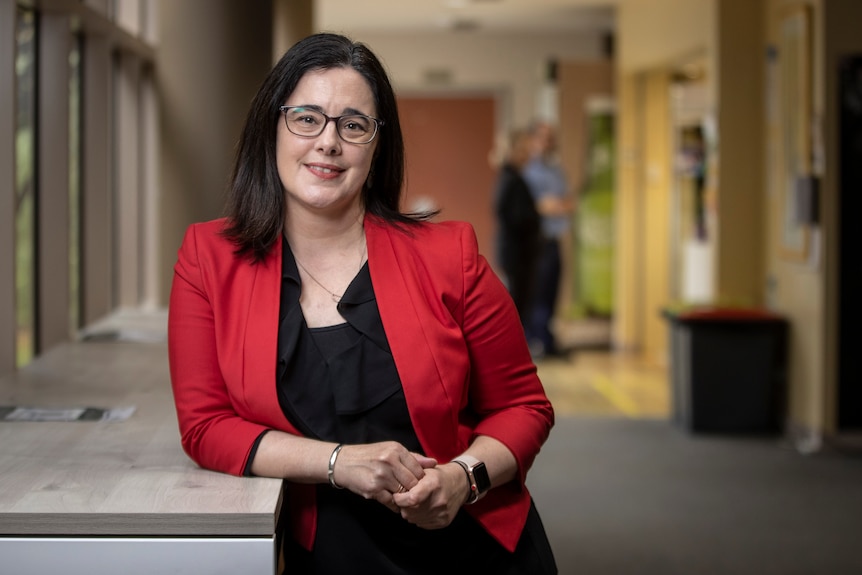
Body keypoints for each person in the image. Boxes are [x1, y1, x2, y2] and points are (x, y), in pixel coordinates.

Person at [168, 33, 557, 574]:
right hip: (330, 556)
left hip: (469, 549)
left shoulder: (451, 255)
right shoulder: (208, 259)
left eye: (353, 125)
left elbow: (524, 407)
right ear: (272, 129)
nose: (328, 142)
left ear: (376, 148)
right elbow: (205, 426)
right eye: (307, 117)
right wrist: (338, 463)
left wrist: (463, 478)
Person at [522, 120, 575, 358]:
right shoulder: (527, 171)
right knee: (537, 292)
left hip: (555, 238)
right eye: (544, 138)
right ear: (533, 140)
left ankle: (547, 338)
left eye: (551, 138)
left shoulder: (557, 171)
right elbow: (531, 206)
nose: (548, 143)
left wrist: (554, 205)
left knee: (552, 291)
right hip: (536, 241)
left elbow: (568, 203)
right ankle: (535, 340)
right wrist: (548, 206)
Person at [493, 128, 541, 328]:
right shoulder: (511, 179)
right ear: (512, 150)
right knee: (516, 305)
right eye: (524, 149)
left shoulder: (515, 178)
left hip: (519, 252)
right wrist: (537, 211)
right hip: (516, 253)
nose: (528, 154)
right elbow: (514, 216)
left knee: (521, 303)